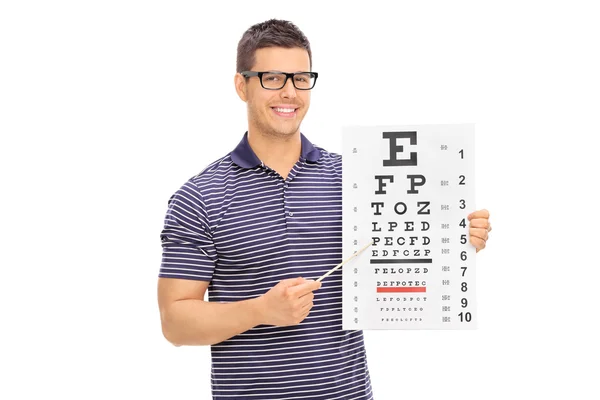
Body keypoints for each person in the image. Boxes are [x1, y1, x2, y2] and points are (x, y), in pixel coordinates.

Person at [157, 18, 492, 400]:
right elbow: (175, 322)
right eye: (272, 78)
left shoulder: (354, 177)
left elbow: (395, 261)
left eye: (301, 79)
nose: (289, 93)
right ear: (241, 85)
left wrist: (452, 240)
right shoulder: (200, 196)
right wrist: (261, 310)